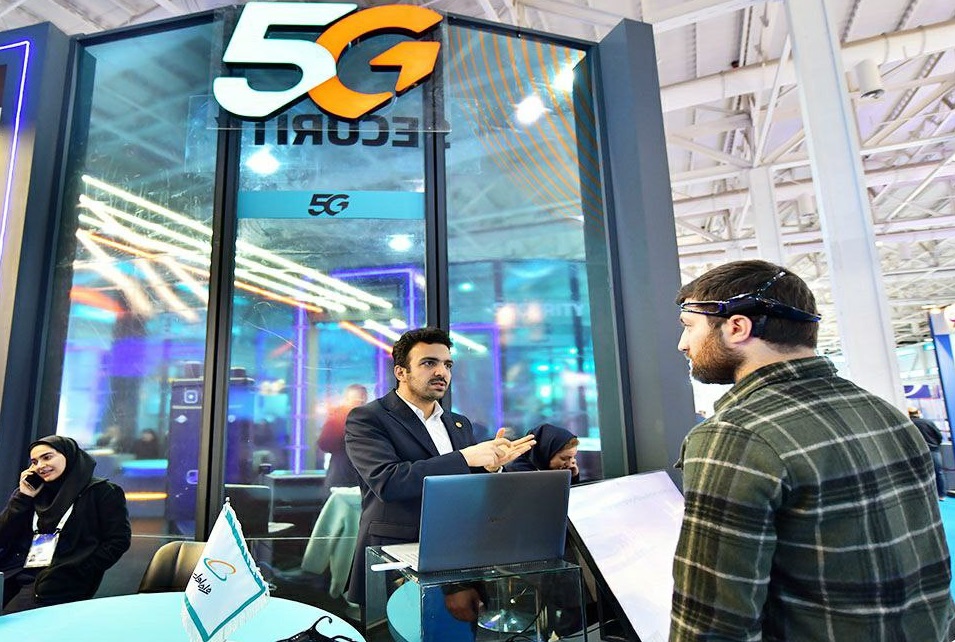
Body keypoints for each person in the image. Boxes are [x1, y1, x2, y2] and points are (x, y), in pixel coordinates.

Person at [671, 259, 954, 641]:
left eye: (689, 326)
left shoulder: (737, 435)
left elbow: (712, 625)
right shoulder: (885, 414)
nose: (683, 344)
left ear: (737, 327)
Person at [344, 327, 535, 611]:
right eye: (428, 363)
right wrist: (465, 457)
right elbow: (389, 481)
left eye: (447, 365)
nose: (441, 372)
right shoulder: (369, 418)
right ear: (401, 372)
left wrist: (491, 468)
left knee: (460, 628)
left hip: (457, 554)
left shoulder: (459, 423)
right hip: (393, 557)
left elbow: (464, 485)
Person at [0, 435, 131, 613]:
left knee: (12, 624)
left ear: (68, 455)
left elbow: (118, 541)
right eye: (34, 462)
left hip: (60, 579)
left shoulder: (102, 492)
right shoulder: (33, 493)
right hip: (16, 571)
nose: (40, 466)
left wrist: (77, 570)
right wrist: (23, 497)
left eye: (47, 457)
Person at [317, 384, 368, 489]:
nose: (359, 403)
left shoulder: (338, 418)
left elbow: (324, 444)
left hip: (342, 475)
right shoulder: (339, 419)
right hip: (350, 476)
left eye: (361, 400)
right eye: (357, 400)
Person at [505, 423, 580, 483]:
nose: (570, 463)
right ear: (545, 453)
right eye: (564, 458)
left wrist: (573, 476)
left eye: (573, 457)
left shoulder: (545, 470)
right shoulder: (517, 474)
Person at [909, 407, 948, 500]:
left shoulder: (909, 424)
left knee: (920, 474)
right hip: (933, 450)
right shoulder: (928, 422)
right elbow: (939, 436)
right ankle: (941, 495)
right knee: (938, 473)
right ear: (918, 413)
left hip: (917, 452)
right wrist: (935, 444)